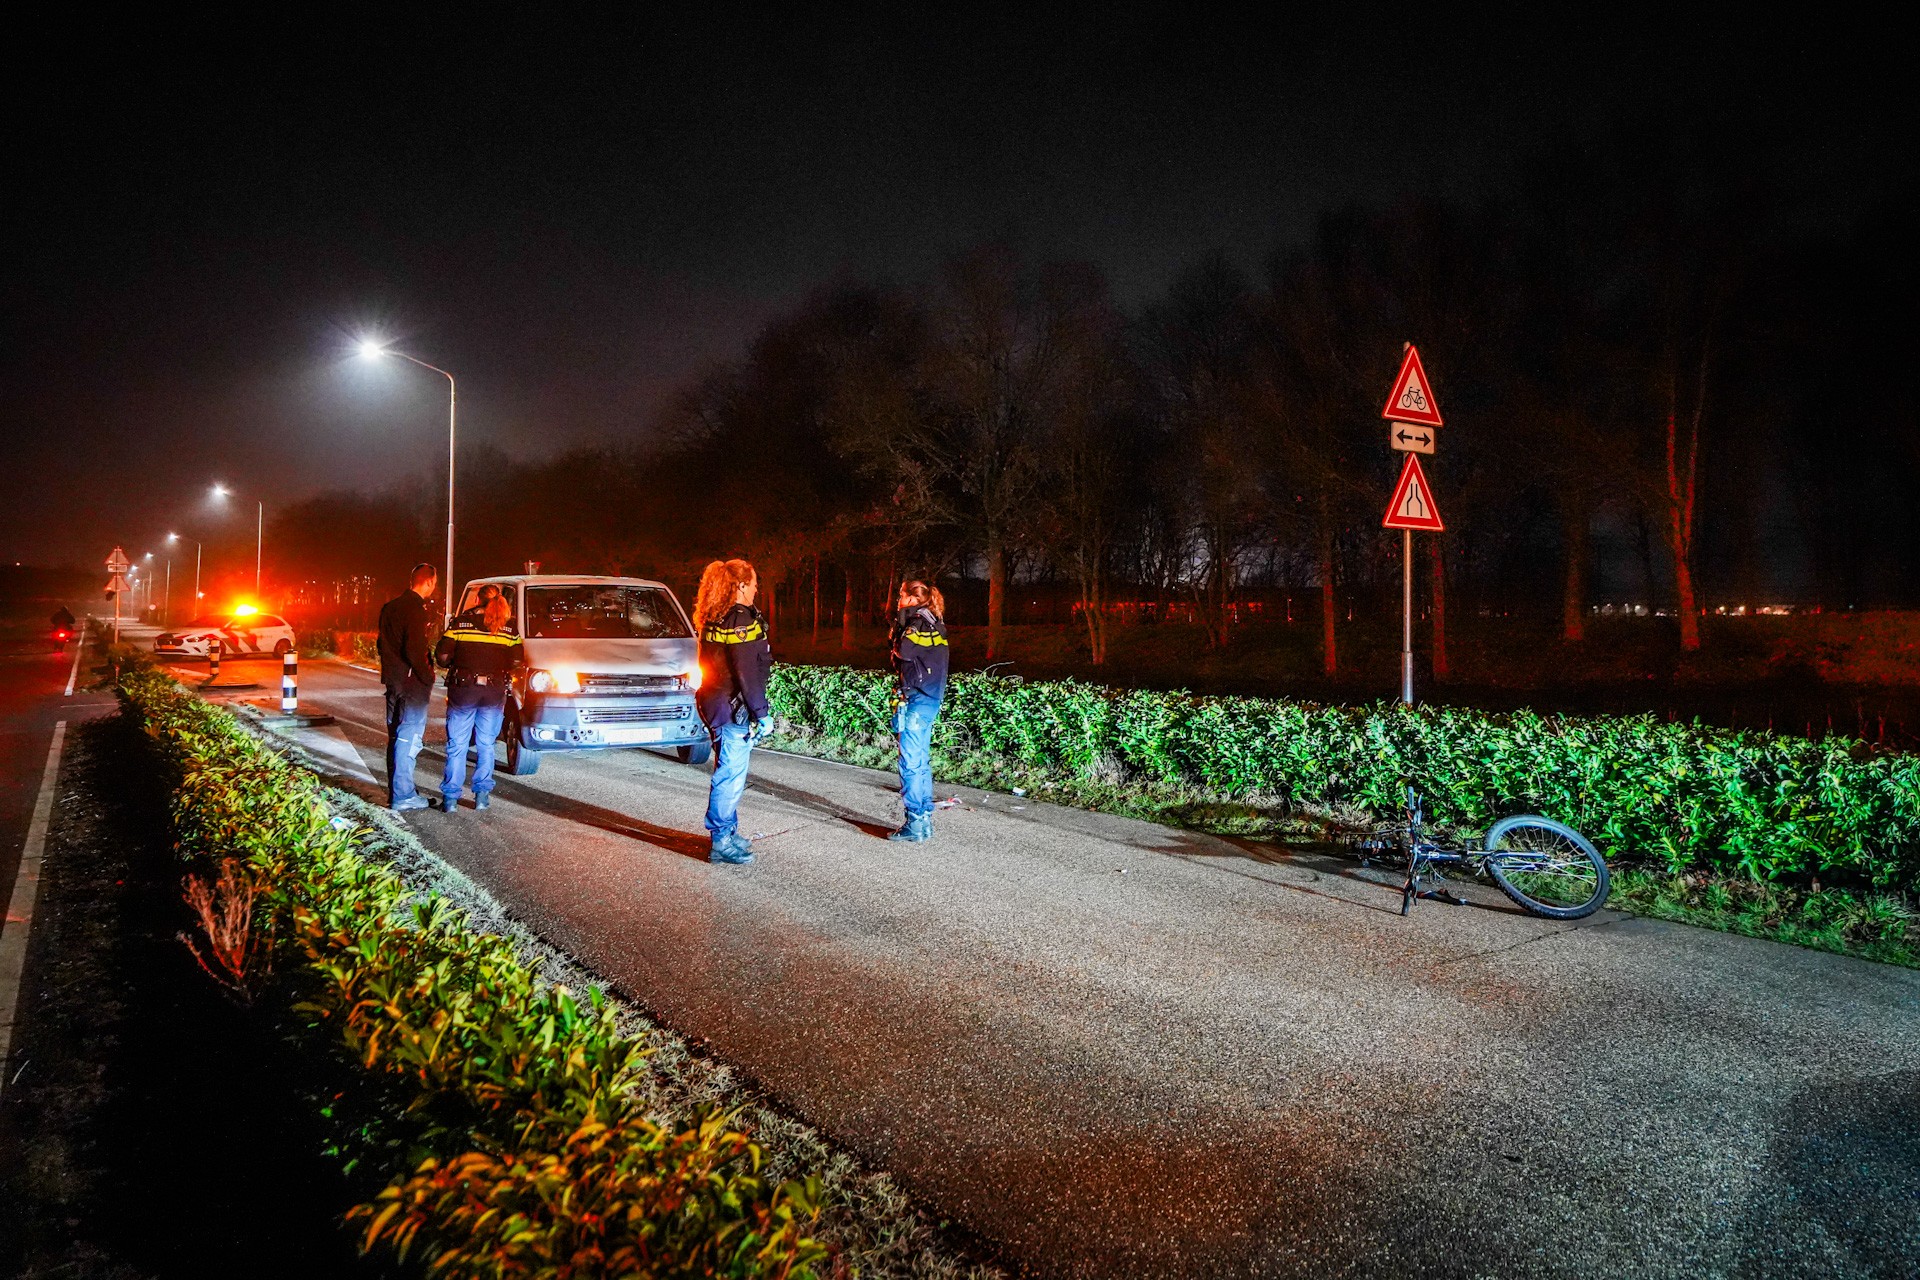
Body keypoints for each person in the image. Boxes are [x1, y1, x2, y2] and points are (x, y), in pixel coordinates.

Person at [692, 558, 773, 865]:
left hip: (714, 702)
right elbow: (747, 673)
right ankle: (721, 840)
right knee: (730, 775)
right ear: (741, 585)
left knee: (728, 770)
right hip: (732, 707)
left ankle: (728, 830)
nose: (756, 589)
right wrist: (761, 713)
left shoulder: (717, 614)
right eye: (753, 584)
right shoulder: (740, 619)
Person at [435, 592, 522, 814]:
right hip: (493, 693)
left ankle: (450, 799)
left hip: (464, 691)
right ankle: (481, 796)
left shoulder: (461, 623)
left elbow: (442, 657)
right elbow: (517, 660)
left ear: (477, 600)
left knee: (457, 745)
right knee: (486, 745)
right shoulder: (509, 628)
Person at [888, 579, 949, 842]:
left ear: (912, 599)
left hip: (917, 699)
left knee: (910, 763)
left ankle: (915, 823)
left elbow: (904, 650)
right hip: (929, 698)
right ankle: (923, 821)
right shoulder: (934, 620)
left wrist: (901, 623)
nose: (898, 601)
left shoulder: (918, 623)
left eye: (901, 596)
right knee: (920, 762)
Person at [377, 563, 438, 811]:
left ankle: (398, 791)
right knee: (409, 738)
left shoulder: (389, 607)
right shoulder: (416, 610)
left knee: (395, 737)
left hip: (393, 681)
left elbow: (382, 645)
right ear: (429, 582)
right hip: (411, 684)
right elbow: (414, 650)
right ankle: (403, 795)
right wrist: (429, 675)